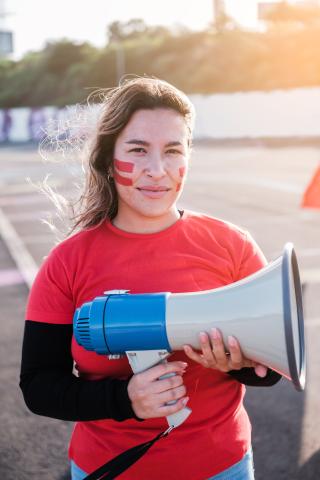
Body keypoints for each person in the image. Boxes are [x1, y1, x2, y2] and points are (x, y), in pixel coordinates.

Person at [20, 76, 281, 480]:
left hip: (222, 466)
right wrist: (126, 399)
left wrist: (238, 365)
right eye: (138, 150)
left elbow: (271, 370)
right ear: (109, 159)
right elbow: (38, 386)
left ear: (187, 157)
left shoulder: (233, 245)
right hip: (109, 468)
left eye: (173, 150)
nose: (157, 171)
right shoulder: (66, 263)